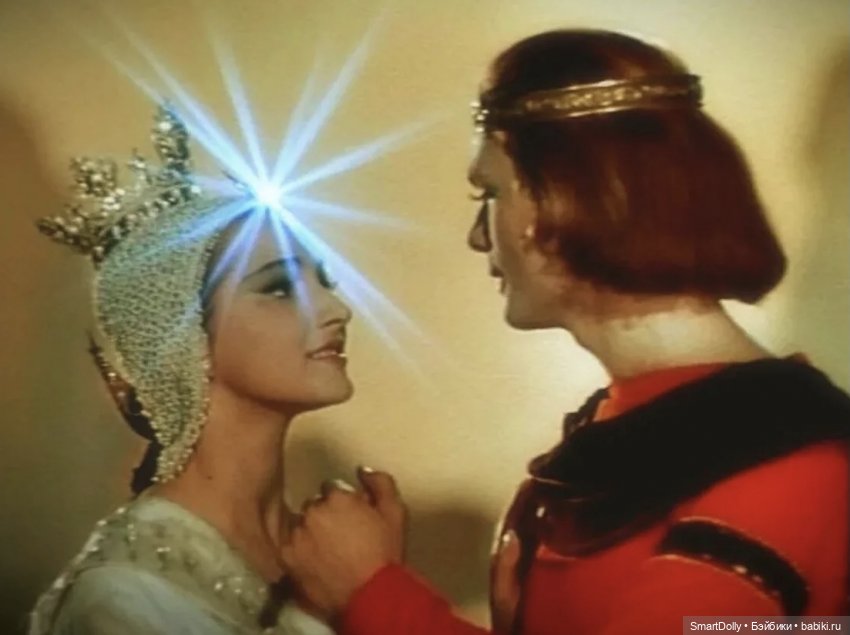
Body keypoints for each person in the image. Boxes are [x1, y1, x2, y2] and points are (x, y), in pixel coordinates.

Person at [278, 29, 850, 635]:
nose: (478, 236)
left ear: (568, 196)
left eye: (489, 192)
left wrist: (371, 592)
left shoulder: (783, 467)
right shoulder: (617, 427)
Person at [30, 105, 352, 634]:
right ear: (181, 335)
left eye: (325, 281)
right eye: (280, 288)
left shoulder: (331, 552)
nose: (337, 309)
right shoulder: (124, 597)